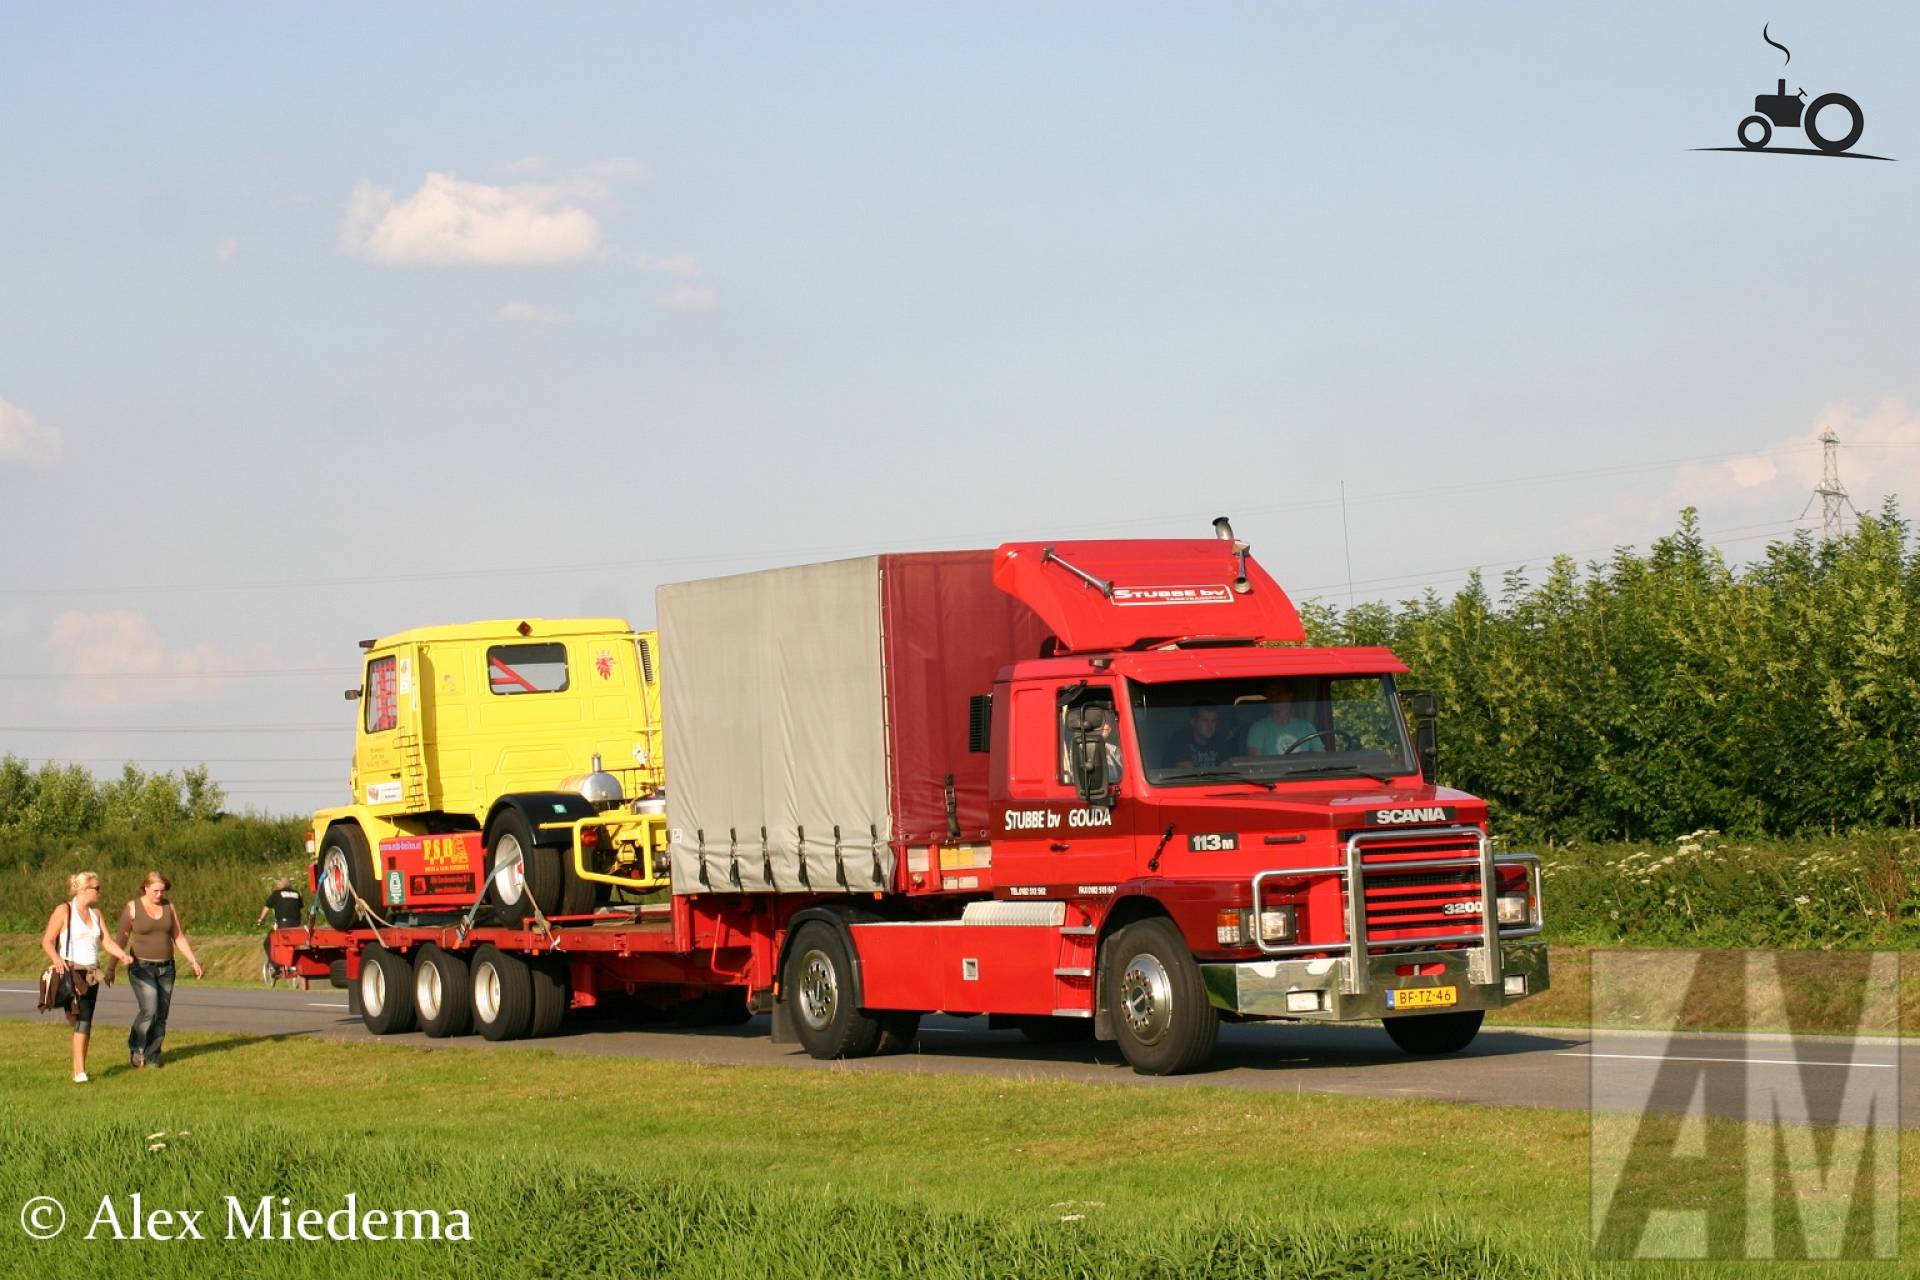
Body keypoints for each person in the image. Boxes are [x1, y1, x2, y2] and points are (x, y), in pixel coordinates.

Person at [40, 870, 136, 1084]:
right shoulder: (64, 910)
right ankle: (80, 1072)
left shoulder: (96, 914)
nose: (100, 891)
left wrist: (122, 956)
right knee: (81, 1017)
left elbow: (107, 941)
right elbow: (47, 940)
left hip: (92, 973)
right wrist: (56, 959)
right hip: (72, 972)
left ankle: (78, 1069)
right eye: (97, 888)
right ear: (84, 889)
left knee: (86, 1020)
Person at [105, 871, 204, 1070]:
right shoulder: (132, 908)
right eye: (156, 891)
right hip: (141, 967)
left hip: (166, 968)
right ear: (145, 888)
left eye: (162, 891)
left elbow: (179, 937)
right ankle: (136, 1047)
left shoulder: (169, 907)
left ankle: (153, 1055)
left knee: (161, 1014)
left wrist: (193, 960)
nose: (159, 895)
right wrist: (111, 967)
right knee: (149, 1009)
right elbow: (121, 940)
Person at [1247, 683, 1323, 756]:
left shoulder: (1306, 727)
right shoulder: (1258, 728)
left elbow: (1320, 757)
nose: (1275, 697)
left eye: (1279, 693)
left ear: (1290, 696)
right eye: (1271, 694)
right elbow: (1256, 763)